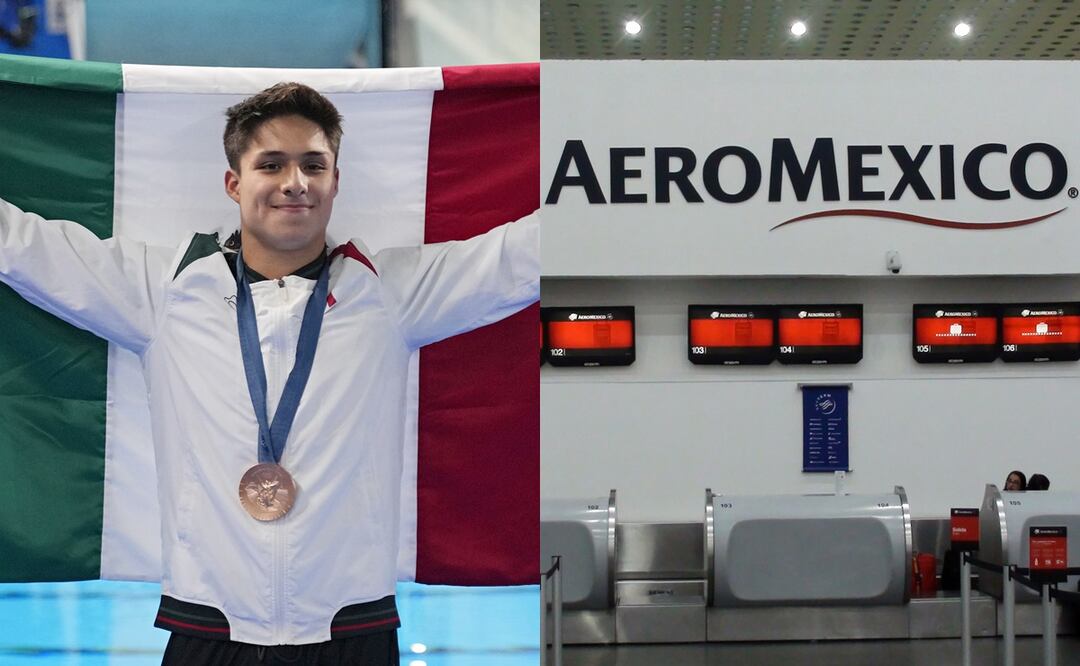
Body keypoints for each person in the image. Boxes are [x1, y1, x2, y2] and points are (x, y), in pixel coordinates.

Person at [0, 83, 537, 664]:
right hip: (207, 624)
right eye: (271, 164)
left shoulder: (389, 293)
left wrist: (616, 180)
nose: (294, 183)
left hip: (351, 626)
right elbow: (26, 247)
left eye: (314, 165)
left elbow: (514, 259)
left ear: (336, 182)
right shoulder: (163, 289)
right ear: (234, 183)